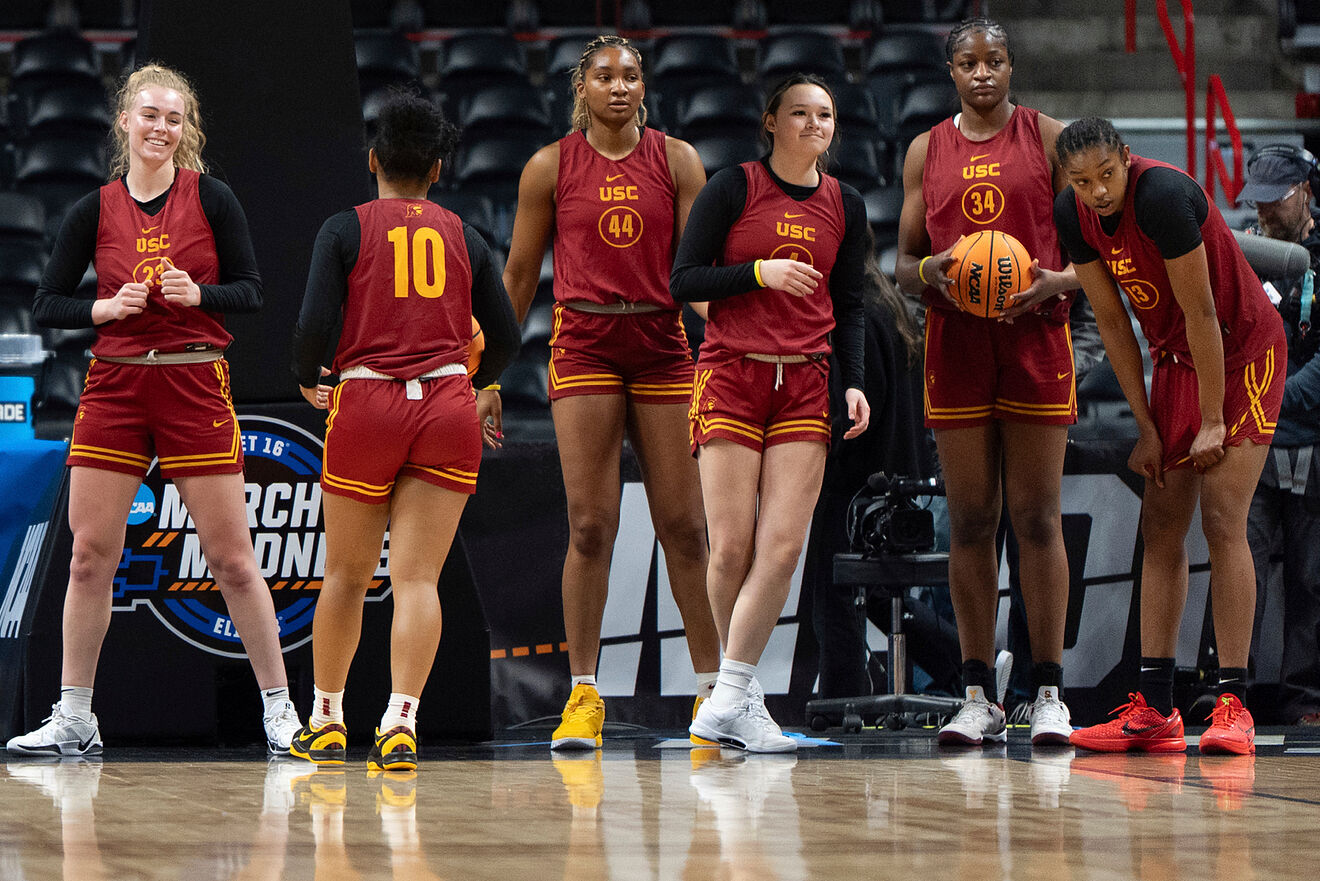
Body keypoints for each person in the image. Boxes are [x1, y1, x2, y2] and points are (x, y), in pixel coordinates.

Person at [5, 64, 303, 757]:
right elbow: (48, 304)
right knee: (88, 557)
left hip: (193, 381)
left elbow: (254, 290)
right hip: (113, 384)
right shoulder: (94, 208)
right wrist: (103, 309)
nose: (161, 127)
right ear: (124, 122)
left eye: (173, 118)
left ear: (185, 128)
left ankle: (280, 710)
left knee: (232, 558)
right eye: (149, 115)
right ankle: (76, 716)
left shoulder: (213, 198)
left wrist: (199, 295)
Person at [287, 90, 518, 771]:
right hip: (446, 406)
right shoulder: (465, 234)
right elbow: (503, 335)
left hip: (368, 403)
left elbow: (310, 327)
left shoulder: (344, 228)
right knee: (419, 579)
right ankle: (400, 722)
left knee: (347, 576)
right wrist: (475, 382)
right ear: (438, 170)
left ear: (373, 160)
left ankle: (327, 719)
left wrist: (308, 375)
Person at [502, 35, 721, 750]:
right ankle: (584, 696)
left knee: (686, 527)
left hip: (661, 347)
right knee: (591, 526)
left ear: (643, 86)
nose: (619, 86)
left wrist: (735, 346)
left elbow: (700, 278)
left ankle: (712, 692)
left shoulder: (679, 160)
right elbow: (515, 282)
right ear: (582, 90)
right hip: (587, 346)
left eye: (630, 75)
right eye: (604, 76)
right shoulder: (549, 167)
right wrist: (485, 375)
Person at [1055, 117, 1287, 755]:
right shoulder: (1072, 215)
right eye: (1082, 181)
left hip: (1240, 352)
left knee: (1221, 519)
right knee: (1160, 526)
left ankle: (1233, 703)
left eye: (1106, 175)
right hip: (1176, 359)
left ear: (1126, 160)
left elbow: (1204, 312)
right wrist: (1149, 427)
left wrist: (1213, 420)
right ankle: (1155, 709)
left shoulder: (1160, 196)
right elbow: (1113, 323)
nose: (1097, 191)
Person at [672, 73, 871, 752]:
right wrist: (759, 272)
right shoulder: (733, 187)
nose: (815, 123)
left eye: (825, 114)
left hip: (807, 380)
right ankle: (740, 697)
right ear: (771, 121)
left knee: (783, 546)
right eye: (800, 112)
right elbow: (683, 280)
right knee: (730, 545)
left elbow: (850, 306)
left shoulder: (847, 202)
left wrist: (855, 383)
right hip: (732, 371)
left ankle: (729, 694)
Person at [893, 18, 1077, 747]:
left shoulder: (1051, 138)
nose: (982, 73)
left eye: (995, 60)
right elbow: (906, 264)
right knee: (971, 520)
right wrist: (935, 272)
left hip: (1036, 338)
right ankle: (977, 694)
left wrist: (1054, 282)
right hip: (957, 344)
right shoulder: (924, 150)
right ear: (950, 70)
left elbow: (1096, 252)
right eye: (968, 62)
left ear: (1011, 66)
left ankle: (1049, 691)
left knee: (1037, 519)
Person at [1237, 145, 1320, 726]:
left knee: (1311, 578)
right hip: (1255, 441)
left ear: (1305, 192)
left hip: (1309, 435)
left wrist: (1273, 397)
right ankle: (1229, 692)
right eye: (1257, 201)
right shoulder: (1246, 249)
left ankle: (1305, 698)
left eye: (1277, 199)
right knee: (1242, 565)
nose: (1264, 212)